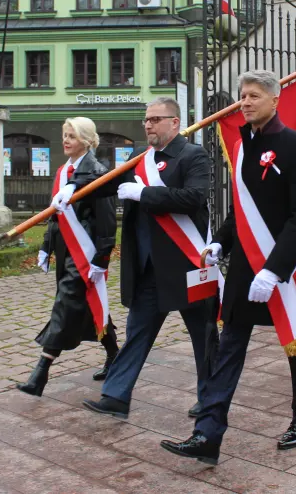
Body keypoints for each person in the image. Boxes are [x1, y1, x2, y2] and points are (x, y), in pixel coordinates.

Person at [161, 70, 296, 464]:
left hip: (281, 268)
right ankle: (208, 433)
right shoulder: (242, 145)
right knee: (229, 346)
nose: (245, 102)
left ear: (274, 100)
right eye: (242, 96)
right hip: (245, 267)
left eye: (253, 96)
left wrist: (275, 269)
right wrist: (221, 241)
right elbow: (241, 209)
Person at [79, 97, 218, 420]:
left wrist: (143, 194)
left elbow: (193, 197)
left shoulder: (193, 155)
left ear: (175, 122)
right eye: (146, 119)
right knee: (137, 332)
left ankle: (211, 398)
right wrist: (73, 188)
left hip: (186, 263)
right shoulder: (140, 158)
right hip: (147, 267)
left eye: (156, 119)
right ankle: (116, 396)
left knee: (203, 335)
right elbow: (107, 184)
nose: (148, 125)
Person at [18, 118, 118, 397]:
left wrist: (102, 259)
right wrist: (46, 246)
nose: (65, 140)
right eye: (64, 135)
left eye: (71, 136)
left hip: (85, 254)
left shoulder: (98, 172)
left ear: (86, 140)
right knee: (88, 303)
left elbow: (107, 222)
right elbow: (55, 216)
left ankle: (40, 374)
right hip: (66, 251)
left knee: (65, 303)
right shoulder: (63, 172)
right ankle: (114, 354)